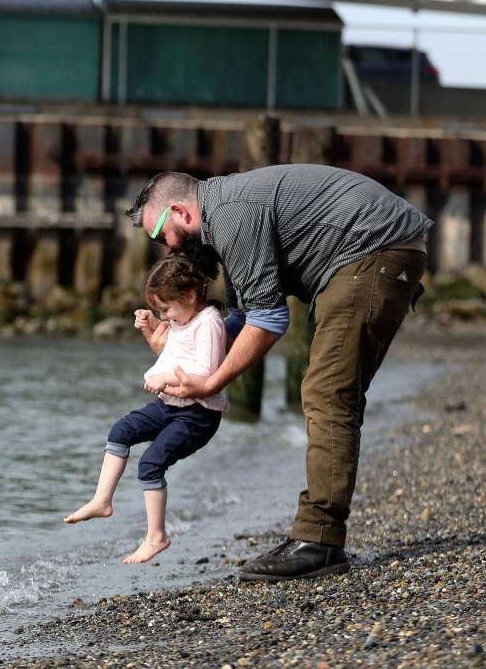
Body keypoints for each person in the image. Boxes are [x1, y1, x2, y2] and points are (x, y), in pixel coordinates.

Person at [124, 164, 432, 581]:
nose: (167, 251)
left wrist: (212, 383)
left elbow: (269, 321)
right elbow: (243, 317)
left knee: (328, 394)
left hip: (372, 250)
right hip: (373, 252)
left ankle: (319, 540)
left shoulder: (231, 214)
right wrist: (182, 345)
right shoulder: (225, 218)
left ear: (181, 212)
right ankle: (317, 534)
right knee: (332, 392)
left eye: (163, 236)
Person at [65, 253, 228, 565]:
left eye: (165, 308)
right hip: (169, 404)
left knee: (150, 464)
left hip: (198, 414)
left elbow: (205, 374)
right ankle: (102, 500)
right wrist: (150, 326)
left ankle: (157, 536)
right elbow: (170, 349)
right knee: (121, 430)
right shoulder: (182, 318)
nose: (164, 315)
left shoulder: (208, 322)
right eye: (159, 310)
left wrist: (165, 378)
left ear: (191, 295)